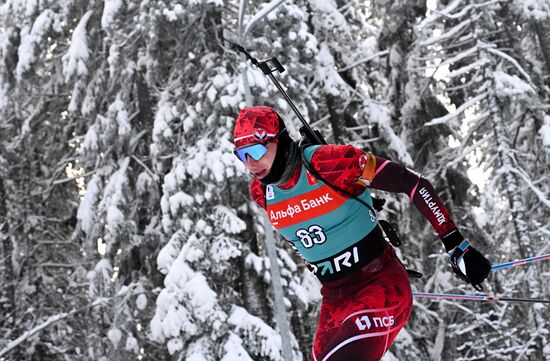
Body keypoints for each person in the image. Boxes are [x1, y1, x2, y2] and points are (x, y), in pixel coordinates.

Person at [232, 105, 491, 361]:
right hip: (335, 301)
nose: (251, 163)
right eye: (242, 155)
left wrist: (457, 246)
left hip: (381, 285)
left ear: (280, 139)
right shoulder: (262, 193)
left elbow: (413, 182)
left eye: (256, 150)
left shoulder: (329, 162)